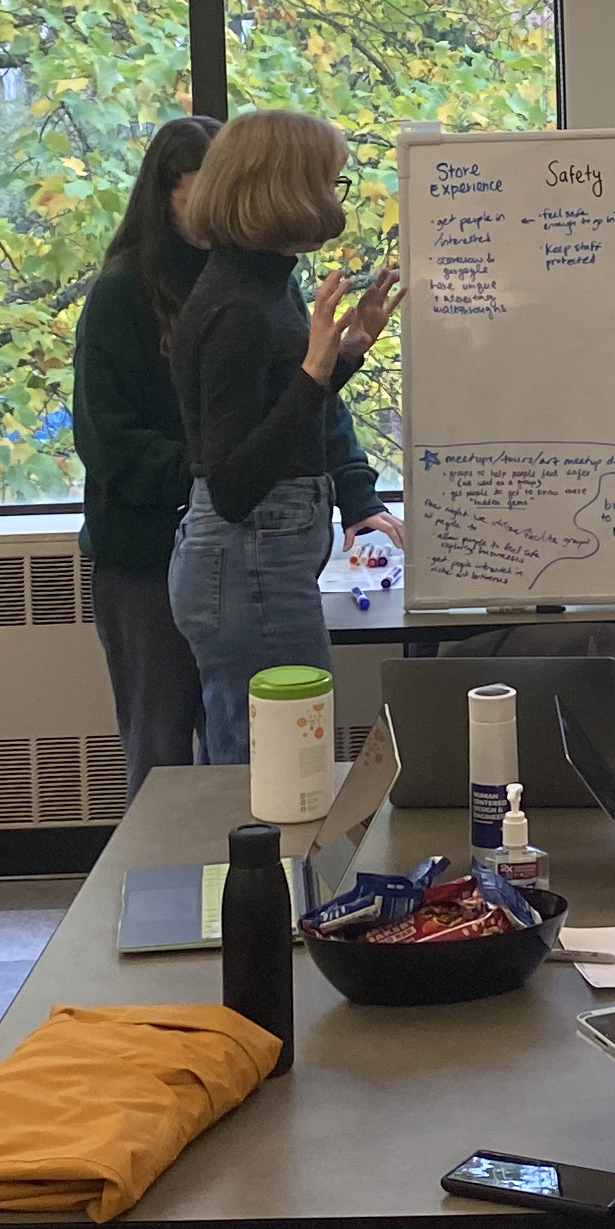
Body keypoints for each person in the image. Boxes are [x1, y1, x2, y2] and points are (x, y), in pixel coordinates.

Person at [77, 116, 396, 789]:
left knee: (259, 765)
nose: (335, 199)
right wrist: (313, 375)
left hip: (257, 556)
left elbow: (284, 421)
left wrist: (341, 360)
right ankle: (237, 893)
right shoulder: (232, 305)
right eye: (325, 181)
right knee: (263, 774)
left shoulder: (259, 284)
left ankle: (250, 890)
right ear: (281, 192)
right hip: (236, 557)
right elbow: (228, 481)